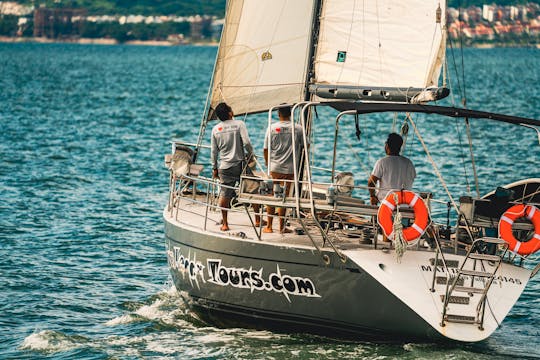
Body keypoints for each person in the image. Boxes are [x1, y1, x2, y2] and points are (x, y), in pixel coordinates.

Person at [211, 102, 263, 231]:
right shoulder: (239, 124)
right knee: (253, 189)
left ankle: (225, 224)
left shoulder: (215, 129)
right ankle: (257, 220)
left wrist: (214, 168)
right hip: (240, 164)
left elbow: (214, 152)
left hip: (224, 167)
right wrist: (251, 154)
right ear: (230, 113)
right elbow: (246, 142)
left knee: (225, 194)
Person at [263, 105, 304, 234]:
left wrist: (267, 163)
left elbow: (265, 149)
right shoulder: (298, 128)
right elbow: (305, 146)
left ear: (279, 114)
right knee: (284, 198)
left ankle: (269, 226)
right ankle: (281, 227)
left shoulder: (272, 128)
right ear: (291, 114)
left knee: (272, 196)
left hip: (275, 167)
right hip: (290, 169)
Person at [367, 133, 416, 205]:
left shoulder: (382, 162)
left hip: (386, 205)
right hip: (405, 206)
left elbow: (371, 182)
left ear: (387, 145)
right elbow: (412, 178)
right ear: (400, 147)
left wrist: (372, 196)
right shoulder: (409, 163)